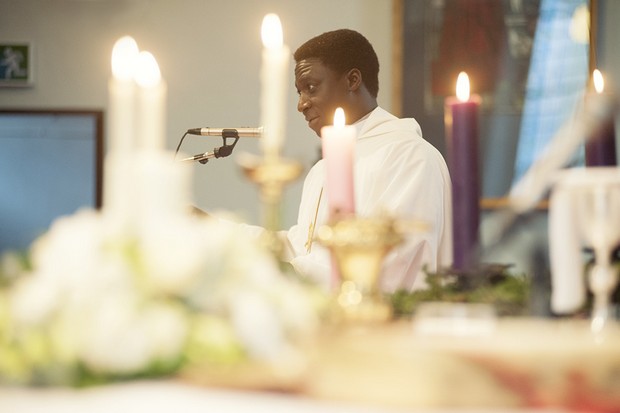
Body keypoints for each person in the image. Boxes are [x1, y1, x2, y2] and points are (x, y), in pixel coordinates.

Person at [277, 29, 453, 292]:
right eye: (299, 92)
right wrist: (215, 230)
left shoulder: (409, 156)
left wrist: (286, 273)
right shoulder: (321, 170)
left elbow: (394, 266)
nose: (301, 104)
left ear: (353, 80)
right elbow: (302, 247)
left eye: (311, 88)